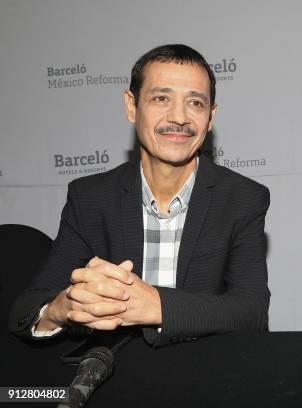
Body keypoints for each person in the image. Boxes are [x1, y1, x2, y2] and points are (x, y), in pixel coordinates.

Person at [9, 44, 270, 347]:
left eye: (195, 103)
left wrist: (156, 306)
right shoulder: (90, 198)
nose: (180, 117)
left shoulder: (243, 198)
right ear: (131, 107)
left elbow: (252, 312)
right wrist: (64, 307)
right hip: (115, 374)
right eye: (161, 98)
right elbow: (26, 310)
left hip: (207, 372)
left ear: (210, 117)